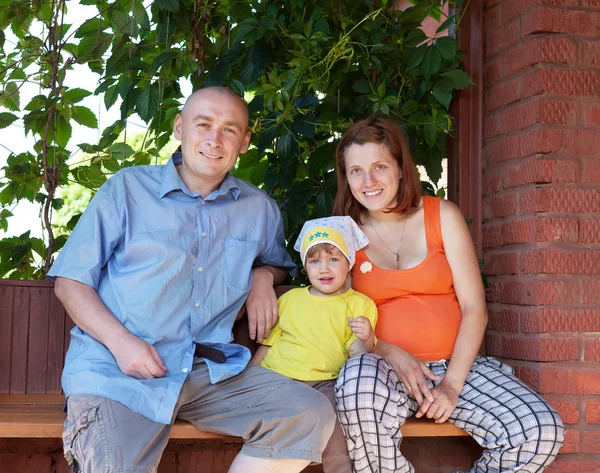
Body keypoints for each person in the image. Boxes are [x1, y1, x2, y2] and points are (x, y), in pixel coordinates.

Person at [48, 86, 336, 473]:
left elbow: (277, 263)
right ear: (180, 128)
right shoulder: (127, 190)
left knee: (308, 412)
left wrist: (263, 277)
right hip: (118, 372)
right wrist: (123, 344)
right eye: (204, 124)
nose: (215, 140)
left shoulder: (259, 209)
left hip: (207, 373)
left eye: (230, 130)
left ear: (245, 141)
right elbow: (70, 282)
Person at [331, 117, 565, 473]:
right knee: (357, 383)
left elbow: (474, 308)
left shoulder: (442, 215)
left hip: (456, 367)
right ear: (346, 178)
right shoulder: (343, 232)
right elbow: (336, 314)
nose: (369, 182)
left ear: (400, 168)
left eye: (379, 167)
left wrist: (452, 385)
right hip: (381, 372)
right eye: (356, 171)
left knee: (538, 430)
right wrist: (389, 351)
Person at [251, 216, 378, 473]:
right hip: (280, 378)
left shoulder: (360, 305)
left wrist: (366, 338)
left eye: (334, 259)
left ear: (349, 263)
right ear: (306, 267)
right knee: (274, 428)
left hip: (326, 384)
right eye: (315, 261)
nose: (324, 269)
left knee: (336, 432)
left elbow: (356, 356)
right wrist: (251, 376)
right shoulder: (291, 299)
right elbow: (268, 345)